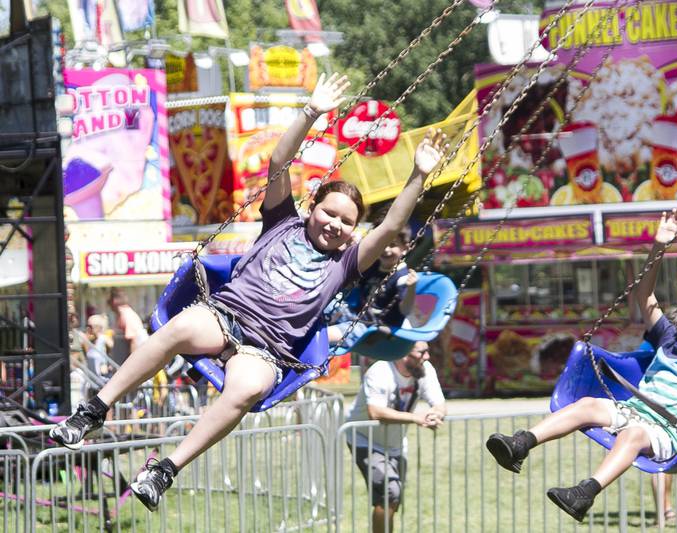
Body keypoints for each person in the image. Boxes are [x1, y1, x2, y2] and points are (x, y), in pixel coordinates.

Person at [49, 72, 448, 512]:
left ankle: (164, 470)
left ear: (354, 232)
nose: (335, 225)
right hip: (224, 318)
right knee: (177, 329)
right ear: (312, 206)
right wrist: (311, 111)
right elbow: (280, 161)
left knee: (246, 389)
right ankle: (94, 410)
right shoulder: (282, 221)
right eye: (329, 213)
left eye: (346, 222)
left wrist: (418, 175)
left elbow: (391, 225)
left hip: (267, 349)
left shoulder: (347, 263)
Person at [483, 209, 677, 523]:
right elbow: (644, 295)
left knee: (633, 434)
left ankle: (585, 493)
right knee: (588, 404)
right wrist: (659, 246)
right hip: (631, 411)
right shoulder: (668, 337)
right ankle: (521, 443)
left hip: (667, 432)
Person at [344, 340, 446, 533]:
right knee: (389, 494)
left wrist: (436, 414)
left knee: (393, 500)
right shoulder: (380, 371)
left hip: (397, 443)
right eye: (422, 352)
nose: (427, 357)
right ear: (403, 353)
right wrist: (416, 418)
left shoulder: (425, 369)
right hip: (366, 440)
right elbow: (376, 412)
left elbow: (440, 404)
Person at [327, 226, 418, 350]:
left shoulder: (402, 277)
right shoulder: (374, 266)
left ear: (406, 248)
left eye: (392, 245)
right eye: (383, 244)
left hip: (372, 328)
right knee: (325, 303)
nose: (386, 250)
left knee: (326, 335)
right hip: (354, 315)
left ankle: (317, 338)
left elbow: (406, 310)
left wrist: (411, 289)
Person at [107, 288, 149, 354]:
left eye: (109, 302)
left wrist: (132, 361)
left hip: (139, 351)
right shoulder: (123, 314)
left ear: (114, 301)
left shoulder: (126, 314)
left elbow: (133, 339)